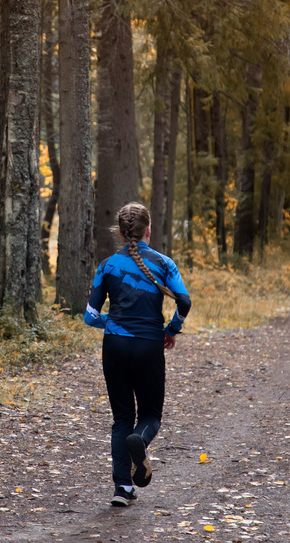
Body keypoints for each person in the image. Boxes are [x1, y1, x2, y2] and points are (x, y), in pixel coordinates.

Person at [84, 202, 192, 507]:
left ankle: (122, 488)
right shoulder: (164, 263)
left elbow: (90, 317)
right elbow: (184, 302)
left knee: (121, 419)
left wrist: (115, 324)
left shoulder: (106, 266)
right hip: (148, 346)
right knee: (149, 416)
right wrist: (171, 330)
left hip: (114, 347)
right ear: (148, 230)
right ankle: (140, 441)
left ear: (119, 232)